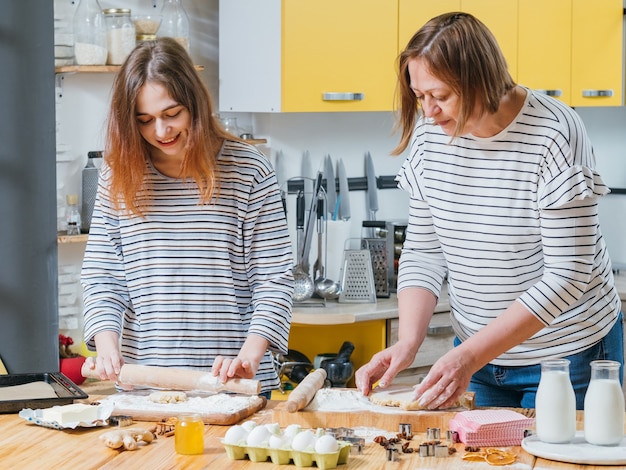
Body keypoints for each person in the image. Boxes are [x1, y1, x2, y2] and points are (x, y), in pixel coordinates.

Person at [355, 12, 623, 410]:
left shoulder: (554, 132)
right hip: (478, 358)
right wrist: (408, 342)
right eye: (419, 96)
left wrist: (470, 355)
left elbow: (568, 275)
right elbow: (424, 252)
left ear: (479, 80)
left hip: (567, 356)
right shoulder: (433, 136)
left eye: (440, 96)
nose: (428, 112)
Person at [81, 38, 294, 396]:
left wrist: (249, 357)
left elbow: (273, 281)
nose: (160, 132)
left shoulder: (248, 171)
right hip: (147, 390)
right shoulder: (116, 175)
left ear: (194, 102)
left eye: (172, 114)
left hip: (233, 388)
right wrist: (107, 348)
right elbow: (103, 278)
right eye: (144, 120)